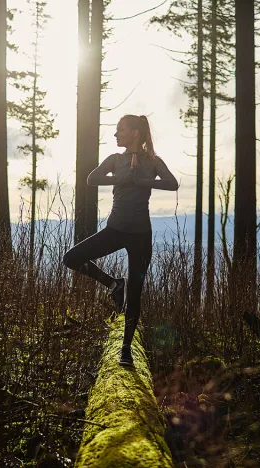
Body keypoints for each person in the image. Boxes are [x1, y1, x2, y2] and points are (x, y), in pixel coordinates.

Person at [62, 114, 179, 367]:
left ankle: (125, 350)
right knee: (71, 258)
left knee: (135, 294)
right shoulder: (115, 160)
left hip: (141, 236)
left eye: (120, 130)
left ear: (135, 133)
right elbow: (92, 179)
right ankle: (114, 283)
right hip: (115, 230)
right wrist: (120, 179)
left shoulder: (153, 161)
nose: (116, 134)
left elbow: (172, 183)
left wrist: (142, 181)